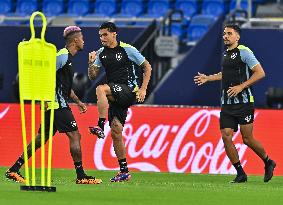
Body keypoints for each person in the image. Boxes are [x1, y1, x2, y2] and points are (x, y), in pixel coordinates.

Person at [5, 26, 102, 185]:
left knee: (40, 138)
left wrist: (77, 101)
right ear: (75, 40)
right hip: (57, 105)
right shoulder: (62, 56)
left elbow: (63, 85)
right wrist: (45, 100)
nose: (84, 41)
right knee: (75, 135)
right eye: (82, 38)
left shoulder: (67, 59)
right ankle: (81, 175)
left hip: (56, 104)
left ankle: (14, 169)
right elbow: (45, 76)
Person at [194, 24, 276, 183]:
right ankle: (240, 173)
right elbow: (225, 74)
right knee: (226, 136)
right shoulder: (226, 54)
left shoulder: (244, 52)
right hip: (227, 103)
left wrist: (241, 86)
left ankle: (268, 161)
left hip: (244, 103)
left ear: (237, 37)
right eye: (224, 34)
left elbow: (260, 72)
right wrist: (208, 78)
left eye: (229, 34)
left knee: (247, 139)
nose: (225, 36)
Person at [88, 22, 152, 182]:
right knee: (116, 131)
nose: (102, 38)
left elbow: (147, 67)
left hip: (129, 90)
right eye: (100, 35)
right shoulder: (101, 53)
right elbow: (92, 76)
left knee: (100, 89)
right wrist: (91, 62)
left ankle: (100, 125)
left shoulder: (127, 49)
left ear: (114, 34)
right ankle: (124, 171)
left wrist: (143, 89)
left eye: (105, 34)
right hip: (116, 94)